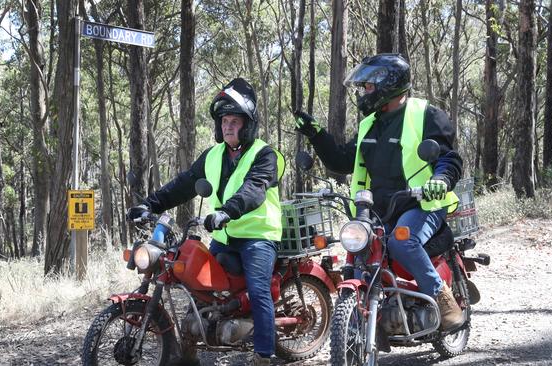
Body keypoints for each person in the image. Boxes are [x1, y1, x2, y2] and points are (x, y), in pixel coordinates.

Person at [293, 53, 464, 331]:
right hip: (378, 208)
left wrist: (441, 179)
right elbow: (340, 161)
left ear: (389, 85)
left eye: (369, 87)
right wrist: (316, 134)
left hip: (421, 203)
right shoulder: (369, 124)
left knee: (401, 242)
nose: (364, 93)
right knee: (357, 247)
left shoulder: (426, 115)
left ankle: (441, 296)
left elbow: (448, 158)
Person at [127, 78, 284, 366]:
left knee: (259, 290)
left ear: (247, 124)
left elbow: (254, 189)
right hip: (225, 237)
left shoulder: (265, 154)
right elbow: (183, 184)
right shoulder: (212, 156)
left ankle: (264, 355)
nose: (228, 126)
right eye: (224, 120)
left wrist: (227, 211)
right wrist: (148, 204)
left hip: (259, 236)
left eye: (234, 120)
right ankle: (188, 353)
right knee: (196, 286)